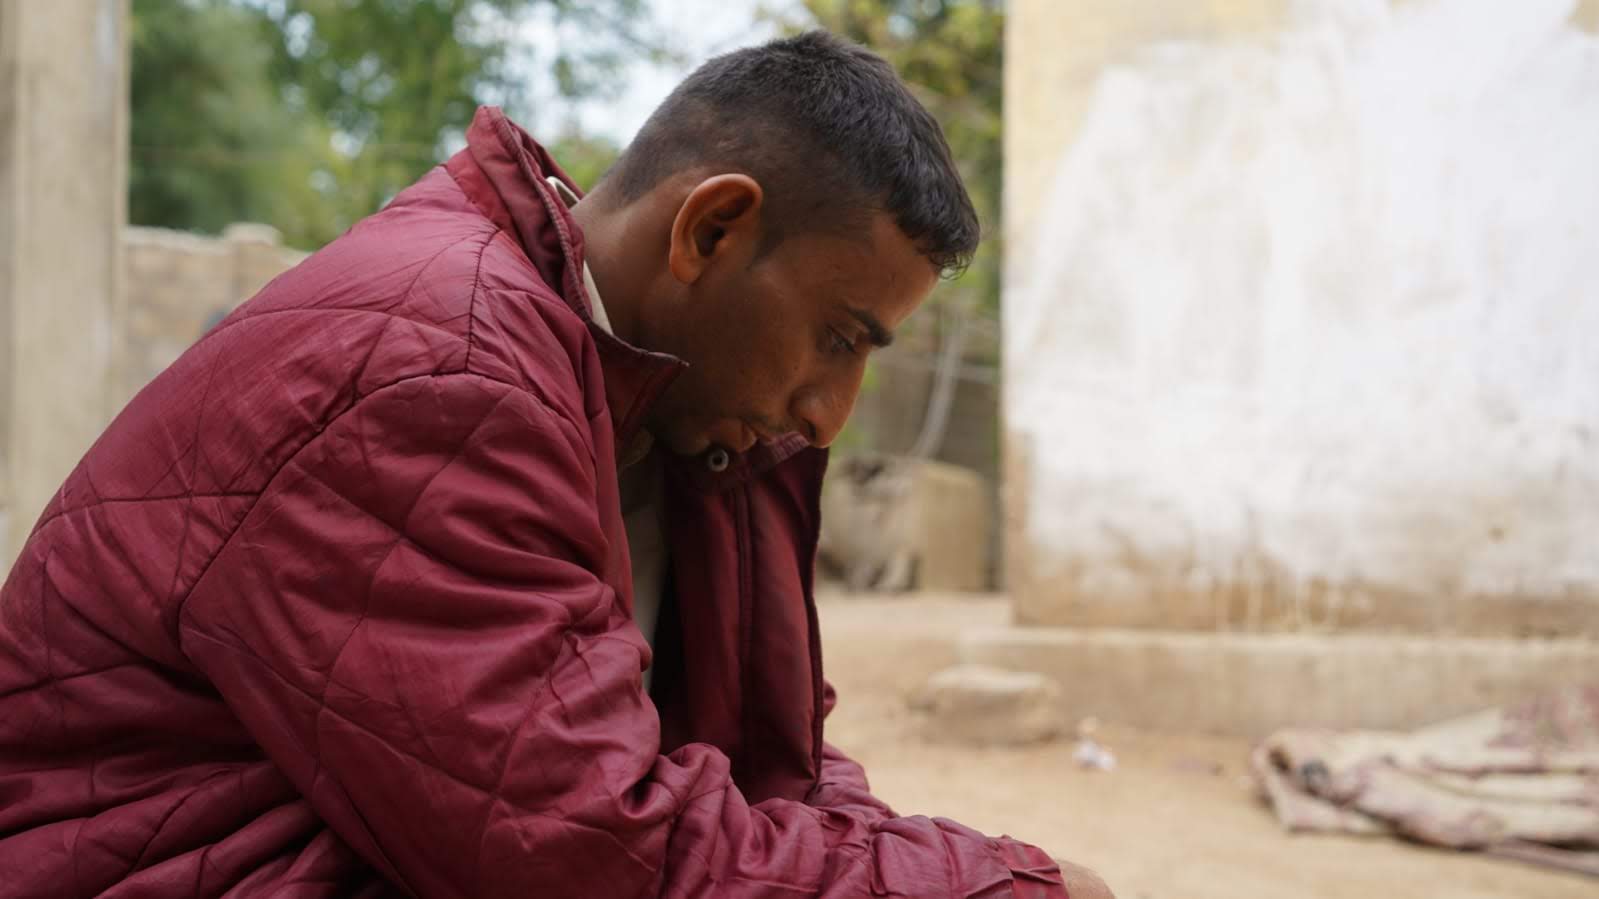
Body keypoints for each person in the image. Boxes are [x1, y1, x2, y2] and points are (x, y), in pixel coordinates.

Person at [0, 31, 1109, 898]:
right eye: (840, 335)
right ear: (712, 231)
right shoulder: (440, 371)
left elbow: (780, 771)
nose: (829, 414)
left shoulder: (675, 405)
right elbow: (589, 856)